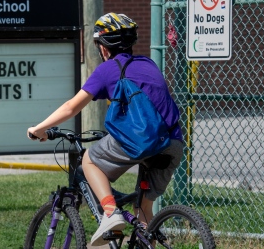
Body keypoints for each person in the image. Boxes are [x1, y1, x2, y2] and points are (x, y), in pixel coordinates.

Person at [27, 13, 184, 246]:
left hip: (142, 141)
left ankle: (110, 213)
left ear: (103, 47)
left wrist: (38, 129)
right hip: (173, 142)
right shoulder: (148, 63)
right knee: (143, 210)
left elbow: (71, 107)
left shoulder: (108, 70)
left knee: (89, 160)